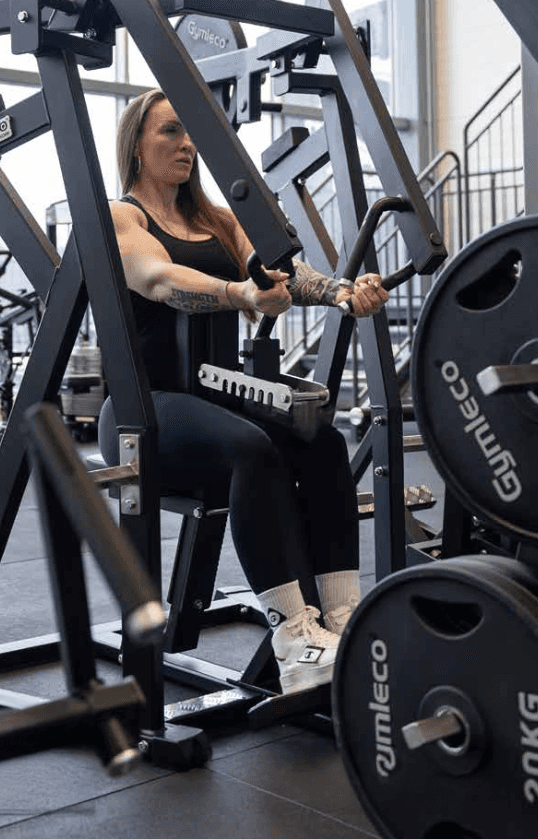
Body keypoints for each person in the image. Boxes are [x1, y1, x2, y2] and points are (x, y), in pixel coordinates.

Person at [98, 89, 389, 695]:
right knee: (251, 448)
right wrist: (239, 295)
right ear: (137, 146)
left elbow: (278, 271)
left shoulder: (215, 219)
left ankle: (341, 617)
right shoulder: (123, 217)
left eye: (189, 132)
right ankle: (295, 640)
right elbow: (159, 280)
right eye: (170, 131)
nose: (186, 143)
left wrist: (339, 292)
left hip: (212, 394)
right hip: (142, 409)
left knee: (322, 442)